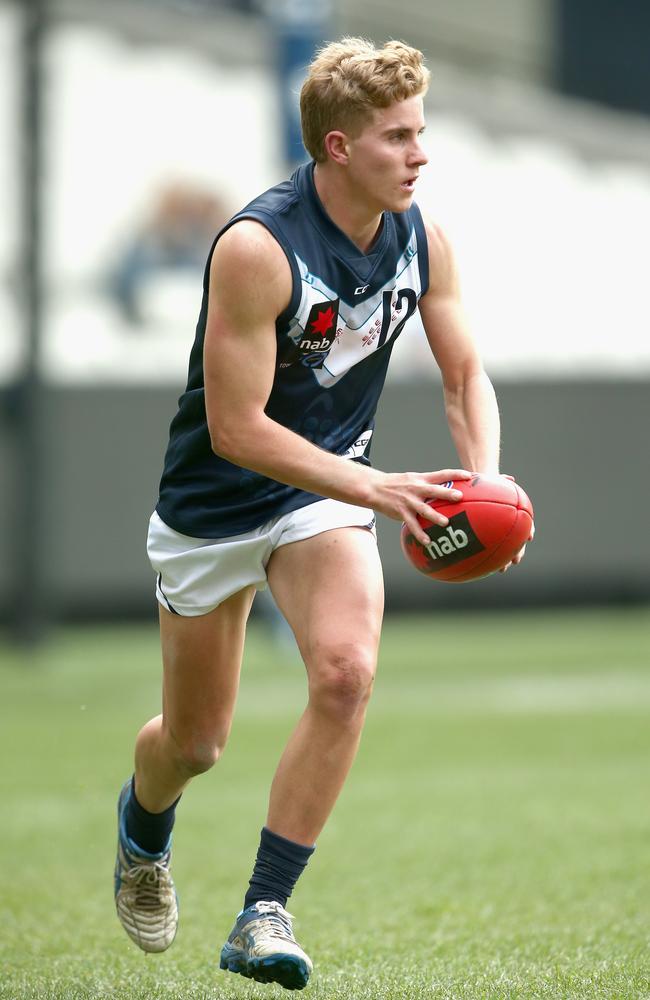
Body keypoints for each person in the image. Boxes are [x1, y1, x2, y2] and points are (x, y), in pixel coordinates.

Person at [113, 37, 531, 991]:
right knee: (195, 743)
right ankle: (143, 837)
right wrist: (379, 489)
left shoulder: (424, 236)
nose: (420, 155)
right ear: (338, 148)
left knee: (345, 676)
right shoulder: (258, 248)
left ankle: (264, 910)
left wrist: (489, 487)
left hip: (325, 492)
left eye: (422, 132)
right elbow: (234, 429)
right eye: (397, 138)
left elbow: (466, 375)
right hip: (215, 505)